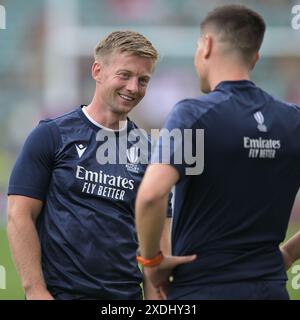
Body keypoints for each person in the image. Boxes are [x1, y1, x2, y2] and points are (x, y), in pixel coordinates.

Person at [135, 5, 300, 300]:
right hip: (270, 290)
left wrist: (151, 263)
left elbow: (151, 195)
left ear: (207, 45)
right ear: (256, 56)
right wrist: (287, 254)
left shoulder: (193, 114)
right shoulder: (293, 120)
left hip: (202, 289)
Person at [7, 30, 173, 300]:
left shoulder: (152, 153)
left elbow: (156, 246)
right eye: (125, 75)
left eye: (143, 80)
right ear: (97, 71)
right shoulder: (51, 135)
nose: (133, 87)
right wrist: (34, 289)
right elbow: (19, 214)